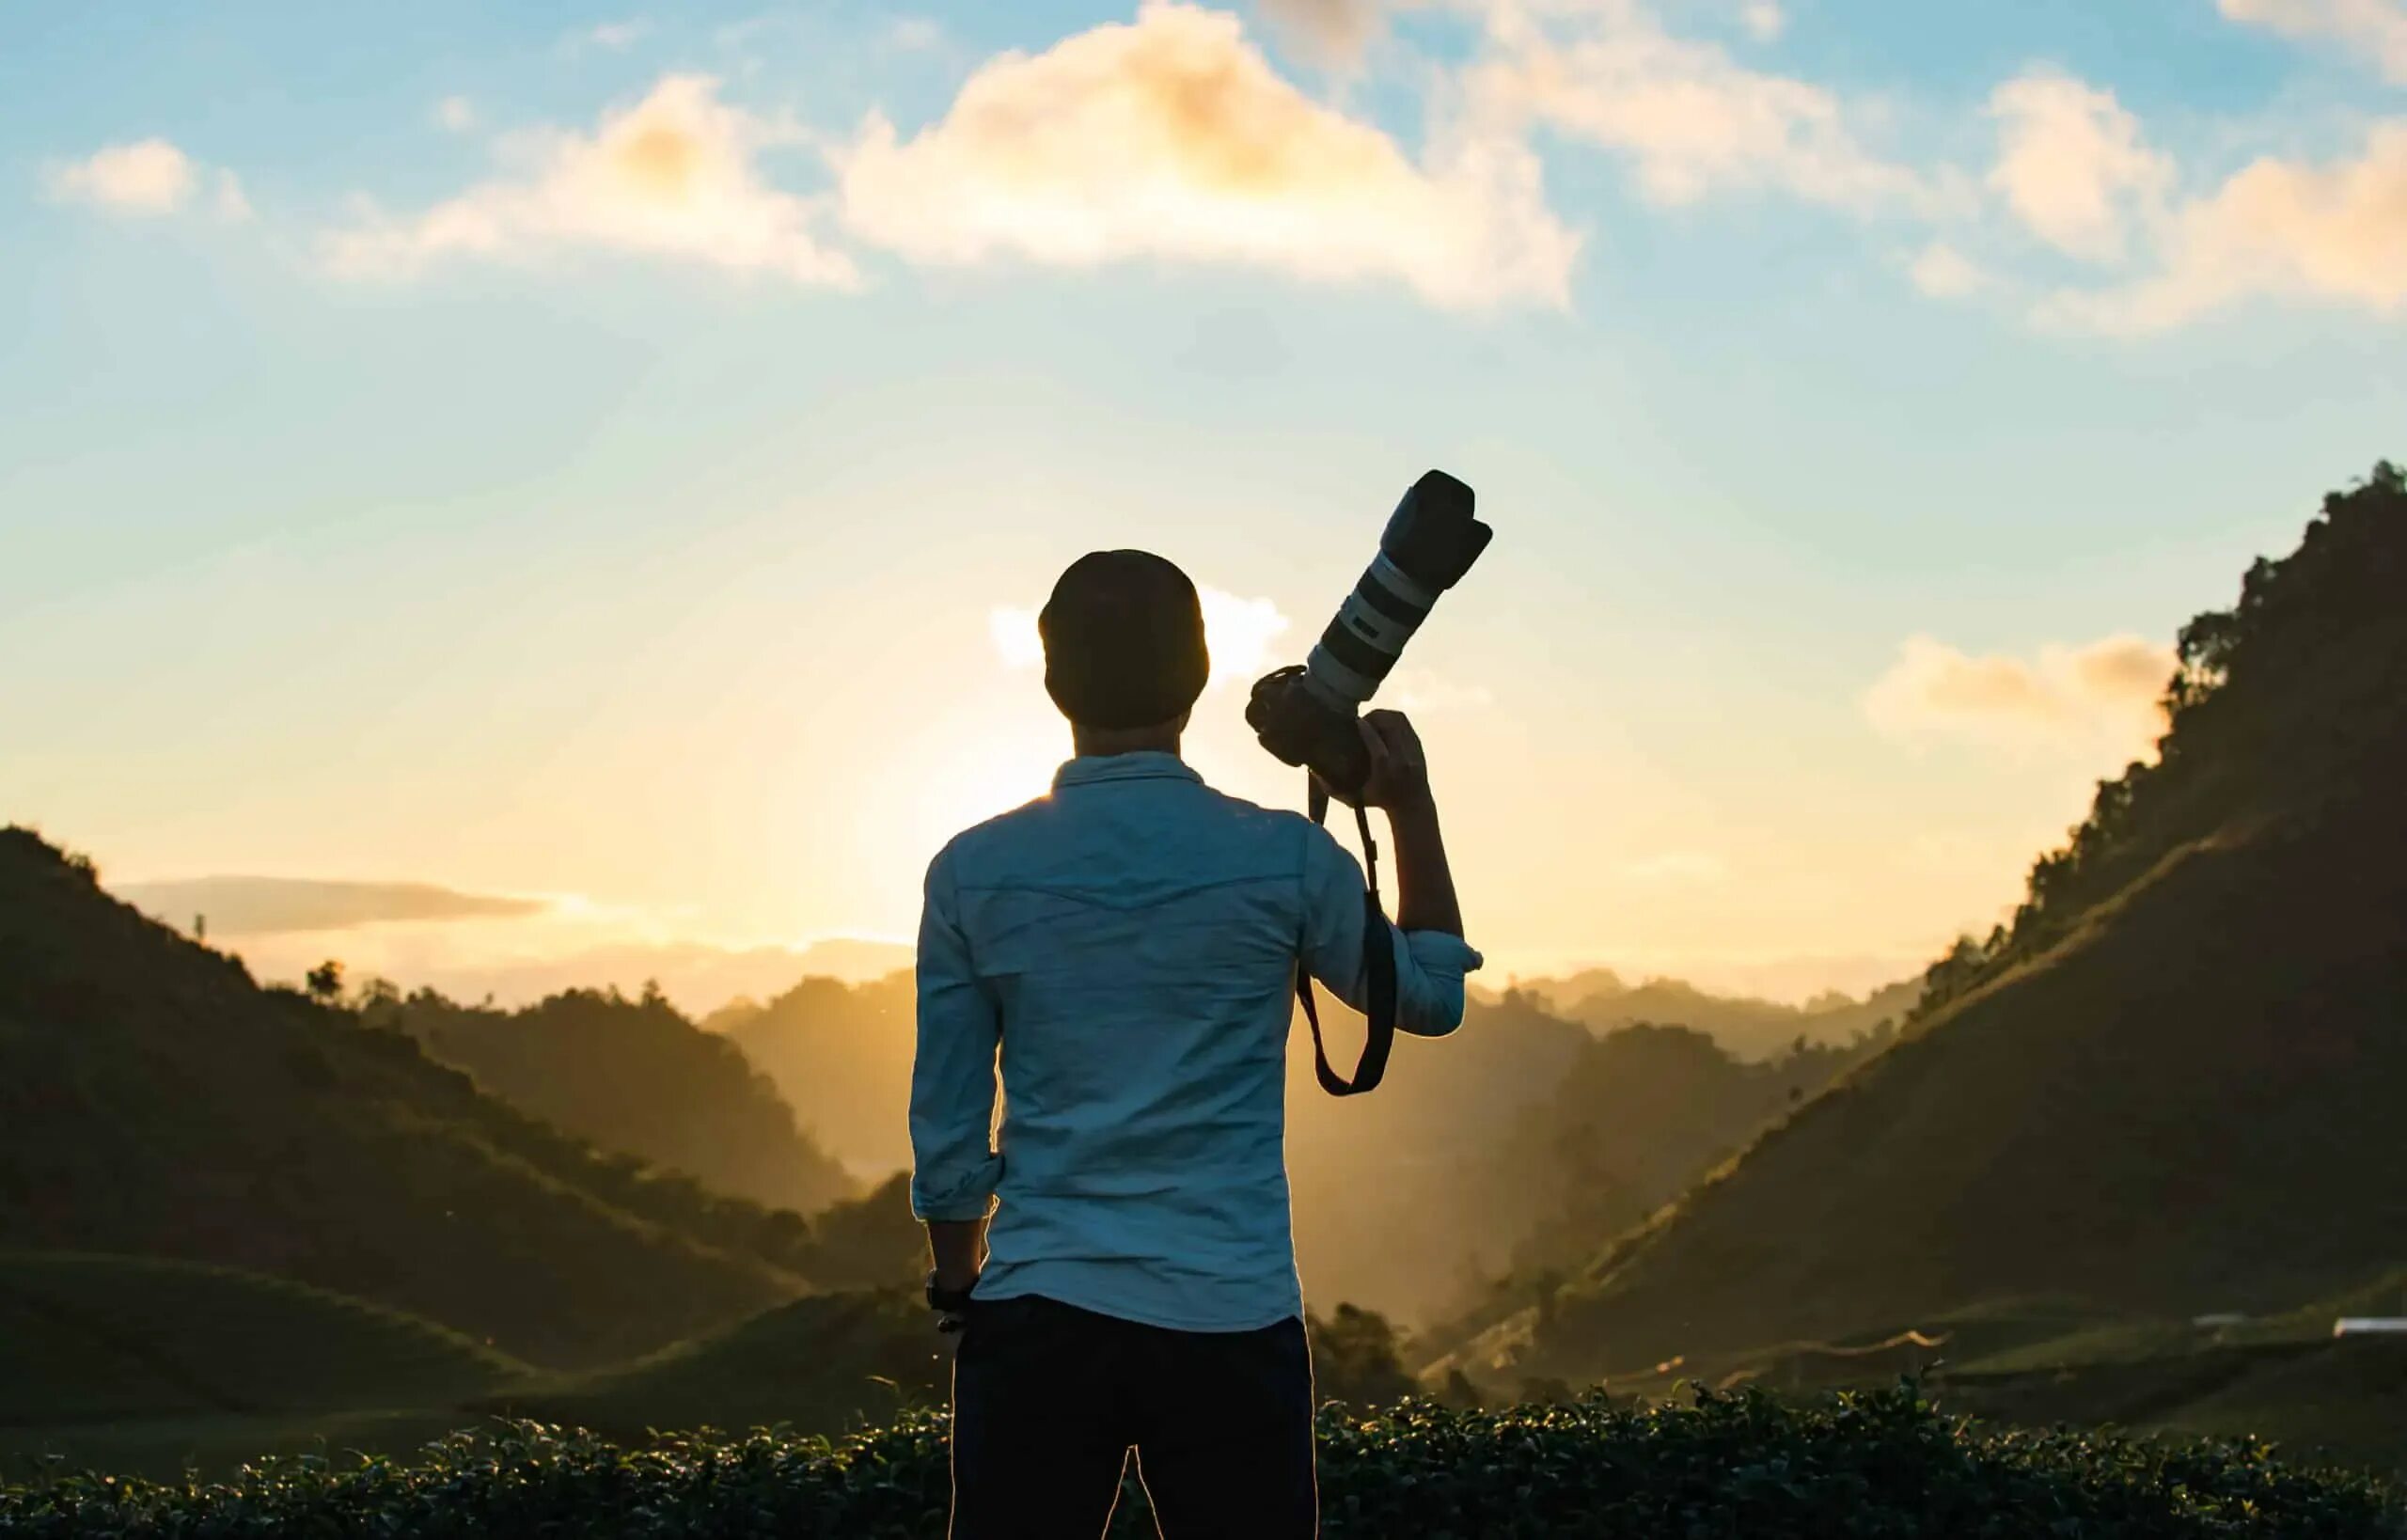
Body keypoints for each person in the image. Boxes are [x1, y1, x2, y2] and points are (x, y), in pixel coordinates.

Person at [909, 549, 1481, 1539]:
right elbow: (1427, 999)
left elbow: (951, 1130)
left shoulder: (973, 871)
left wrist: (961, 1285)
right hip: (1229, 1316)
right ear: (1200, 674)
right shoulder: (1283, 857)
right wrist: (1409, 808)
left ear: (1051, 680)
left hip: (1041, 1309)